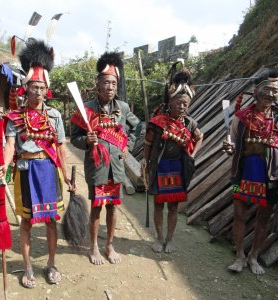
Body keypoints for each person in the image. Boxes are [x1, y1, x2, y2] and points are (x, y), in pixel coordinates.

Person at [0, 39, 72, 288]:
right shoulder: (15, 117)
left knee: (50, 221)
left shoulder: (55, 116)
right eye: (33, 87)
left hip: (49, 170)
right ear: (25, 88)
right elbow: (9, 147)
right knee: (26, 222)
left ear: (46, 89)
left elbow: (60, 147)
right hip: (25, 172)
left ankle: (51, 263)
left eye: (41, 87)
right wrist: (3, 166)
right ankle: (27, 267)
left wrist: (67, 175)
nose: (37, 92)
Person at [70, 52, 140, 265]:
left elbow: (137, 127)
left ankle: (109, 246)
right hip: (97, 166)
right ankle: (93, 248)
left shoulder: (124, 108)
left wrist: (128, 145)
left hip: (116, 168)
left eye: (113, 83)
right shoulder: (87, 109)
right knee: (97, 206)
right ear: (98, 85)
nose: (110, 87)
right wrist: (88, 141)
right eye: (106, 83)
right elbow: (74, 137)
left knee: (113, 207)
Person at [142, 64, 203, 253]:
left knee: (174, 207)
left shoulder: (190, 123)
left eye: (185, 103)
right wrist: (145, 161)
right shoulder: (158, 122)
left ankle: (170, 239)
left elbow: (200, 137)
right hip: (160, 167)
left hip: (178, 168)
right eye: (178, 102)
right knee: (159, 204)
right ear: (170, 102)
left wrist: (192, 155)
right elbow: (148, 143)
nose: (182, 106)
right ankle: (159, 238)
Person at [223, 69, 278, 275]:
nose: (270, 94)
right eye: (266, 89)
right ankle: (239, 256)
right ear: (256, 91)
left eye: (274, 91)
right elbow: (233, 143)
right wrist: (229, 148)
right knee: (239, 214)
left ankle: (254, 257)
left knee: (263, 217)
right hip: (243, 171)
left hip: (271, 175)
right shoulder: (242, 117)